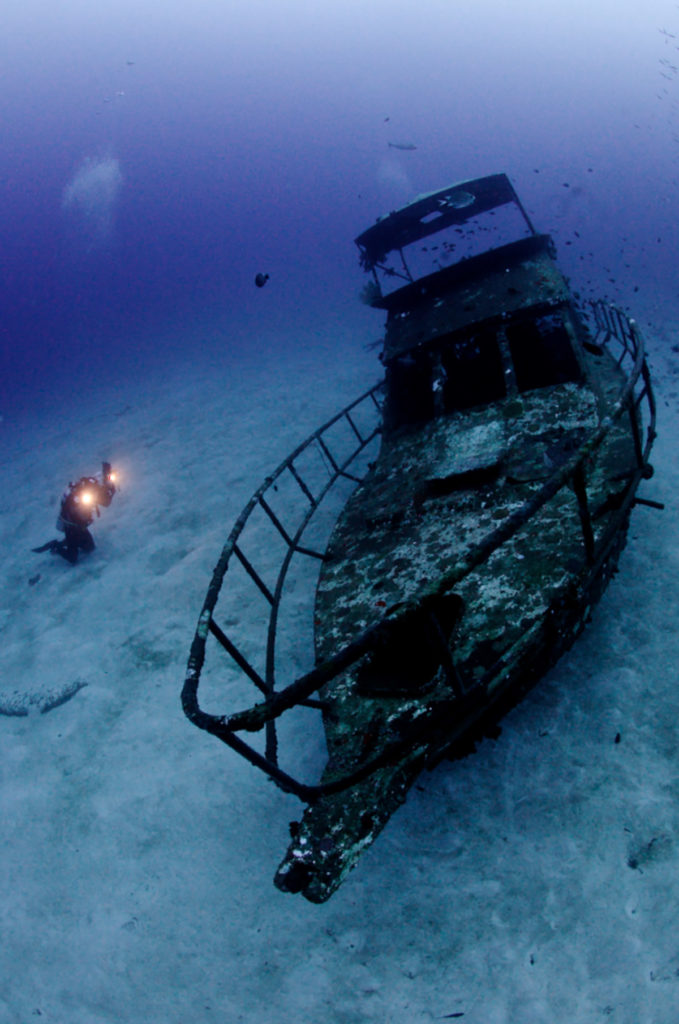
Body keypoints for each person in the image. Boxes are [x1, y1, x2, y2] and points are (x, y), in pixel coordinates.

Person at [32, 462, 117, 564]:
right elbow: (76, 513)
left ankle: (66, 542)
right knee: (73, 559)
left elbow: (106, 502)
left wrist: (111, 487)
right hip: (71, 528)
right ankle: (55, 546)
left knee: (90, 548)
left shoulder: (93, 489)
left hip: (81, 527)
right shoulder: (77, 498)